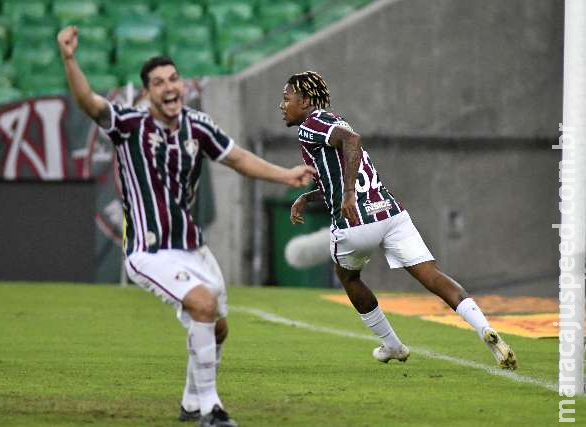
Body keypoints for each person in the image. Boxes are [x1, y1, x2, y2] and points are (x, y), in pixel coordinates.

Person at [57, 26, 315, 427]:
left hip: (194, 248)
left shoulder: (198, 126)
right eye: (158, 83)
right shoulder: (129, 126)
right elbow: (88, 102)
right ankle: (211, 410)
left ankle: (191, 403)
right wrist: (70, 59)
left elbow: (239, 159)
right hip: (150, 250)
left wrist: (285, 175)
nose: (169, 87)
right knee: (203, 305)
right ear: (146, 94)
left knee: (219, 329)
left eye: (174, 79)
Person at [281, 70, 517, 370]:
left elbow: (352, 142)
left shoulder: (311, 126)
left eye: (286, 98)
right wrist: (308, 197)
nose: (282, 105)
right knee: (432, 275)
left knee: (349, 278)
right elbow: (340, 170)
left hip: (357, 220)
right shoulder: (335, 119)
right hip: (391, 213)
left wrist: (350, 193)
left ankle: (393, 345)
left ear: (303, 101)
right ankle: (484, 328)